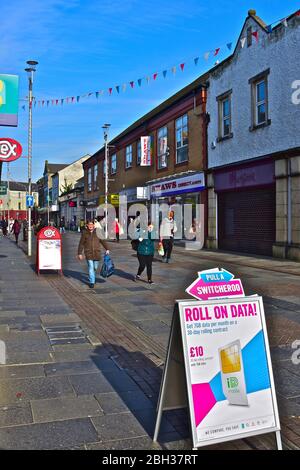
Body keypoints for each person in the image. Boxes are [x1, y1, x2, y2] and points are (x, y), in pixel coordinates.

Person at [77, 220, 109, 288]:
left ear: (94, 225)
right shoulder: (85, 233)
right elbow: (81, 244)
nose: (91, 226)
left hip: (97, 253)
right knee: (91, 267)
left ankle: (91, 276)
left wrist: (107, 249)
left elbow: (103, 241)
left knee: (95, 267)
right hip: (88, 253)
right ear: (87, 225)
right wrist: (79, 253)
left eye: (92, 224)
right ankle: (92, 282)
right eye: (89, 224)